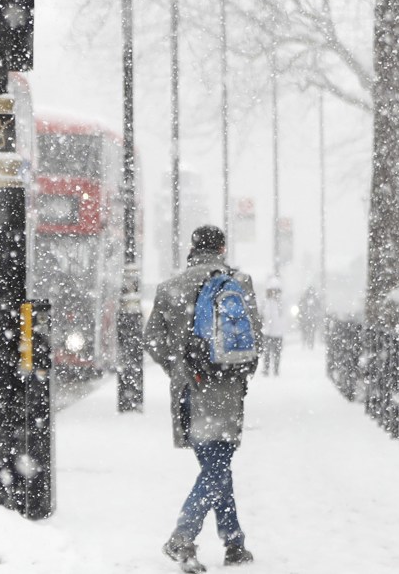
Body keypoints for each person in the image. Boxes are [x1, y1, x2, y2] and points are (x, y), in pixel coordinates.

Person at [145, 225, 259, 572]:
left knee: (214, 464)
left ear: (192, 248)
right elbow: (255, 334)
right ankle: (183, 537)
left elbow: (151, 339)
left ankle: (234, 541)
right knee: (217, 465)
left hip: (188, 390)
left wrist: (178, 367)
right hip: (227, 390)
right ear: (222, 248)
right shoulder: (239, 283)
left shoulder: (169, 288)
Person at [260, 278, 285, 376]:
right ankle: (266, 369)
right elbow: (262, 315)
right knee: (267, 353)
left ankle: (276, 370)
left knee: (276, 353)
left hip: (277, 332)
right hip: (267, 332)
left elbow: (283, 318)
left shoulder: (280, 303)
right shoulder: (265, 302)